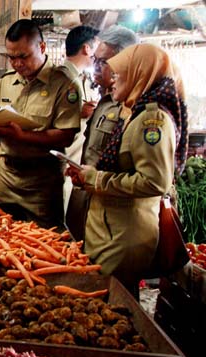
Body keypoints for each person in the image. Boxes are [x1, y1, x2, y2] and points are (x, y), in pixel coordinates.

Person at [66, 43, 188, 296]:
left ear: (139, 75)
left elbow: (155, 182)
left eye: (120, 74)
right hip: (111, 229)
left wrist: (97, 179)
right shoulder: (134, 112)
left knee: (112, 300)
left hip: (125, 234)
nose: (112, 81)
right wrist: (89, 176)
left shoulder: (152, 121)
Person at [0, 19, 82, 228]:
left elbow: (66, 135)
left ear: (42, 47)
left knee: (42, 244)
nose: (17, 63)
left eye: (23, 56)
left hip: (42, 184)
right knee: (0, 236)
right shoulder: (6, 82)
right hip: (8, 177)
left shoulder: (65, 85)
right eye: (11, 57)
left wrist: (22, 136)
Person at [65, 26, 139, 240]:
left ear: (125, 61)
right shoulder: (105, 101)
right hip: (88, 199)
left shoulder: (133, 106)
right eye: (95, 60)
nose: (95, 67)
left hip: (115, 210)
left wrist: (95, 178)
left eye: (103, 62)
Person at [61, 25, 100, 214]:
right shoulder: (61, 77)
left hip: (74, 164)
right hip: (60, 164)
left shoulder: (82, 79)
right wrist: (79, 113)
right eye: (97, 49)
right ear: (86, 48)